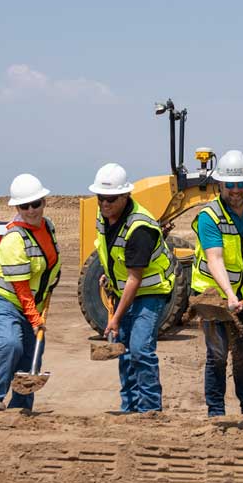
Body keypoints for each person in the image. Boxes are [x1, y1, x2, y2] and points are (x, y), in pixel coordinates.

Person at [190, 150, 243, 418]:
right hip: (213, 296)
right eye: (230, 185)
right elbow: (215, 258)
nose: (236, 190)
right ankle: (216, 413)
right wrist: (228, 295)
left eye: (241, 184)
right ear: (220, 185)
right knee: (217, 355)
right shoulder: (209, 216)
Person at [91, 163, 173, 415]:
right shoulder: (104, 216)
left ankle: (149, 410)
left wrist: (114, 319)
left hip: (150, 292)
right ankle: (130, 408)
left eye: (110, 199)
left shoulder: (140, 228)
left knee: (139, 349)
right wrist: (108, 274)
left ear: (126, 196)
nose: (104, 203)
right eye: (100, 198)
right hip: (124, 289)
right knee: (123, 350)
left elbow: (135, 279)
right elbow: (113, 251)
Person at [0, 174, 60, 413]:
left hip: (29, 302)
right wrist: (35, 318)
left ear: (44, 202)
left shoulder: (48, 226)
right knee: (10, 343)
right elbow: (20, 287)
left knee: (33, 351)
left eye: (36, 204)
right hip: (0, 300)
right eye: (25, 206)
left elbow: (49, 269)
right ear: (17, 207)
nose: (31, 210)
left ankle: (21, 408)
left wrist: (40, 306)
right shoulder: (14, 240)